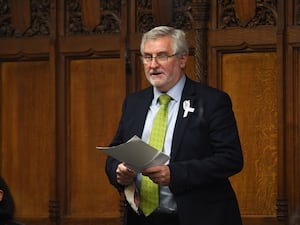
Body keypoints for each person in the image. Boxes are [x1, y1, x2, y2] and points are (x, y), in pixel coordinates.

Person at [105, 26, 243, 225]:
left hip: (198, 217)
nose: (153, 65)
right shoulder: (133, 103)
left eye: (161, 56)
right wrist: (118, 171)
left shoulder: (212, 101)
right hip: (141, 218)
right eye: (147, 57)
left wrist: (176, 174)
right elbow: (115, 152)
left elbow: (231, 159)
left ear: (182, 59)